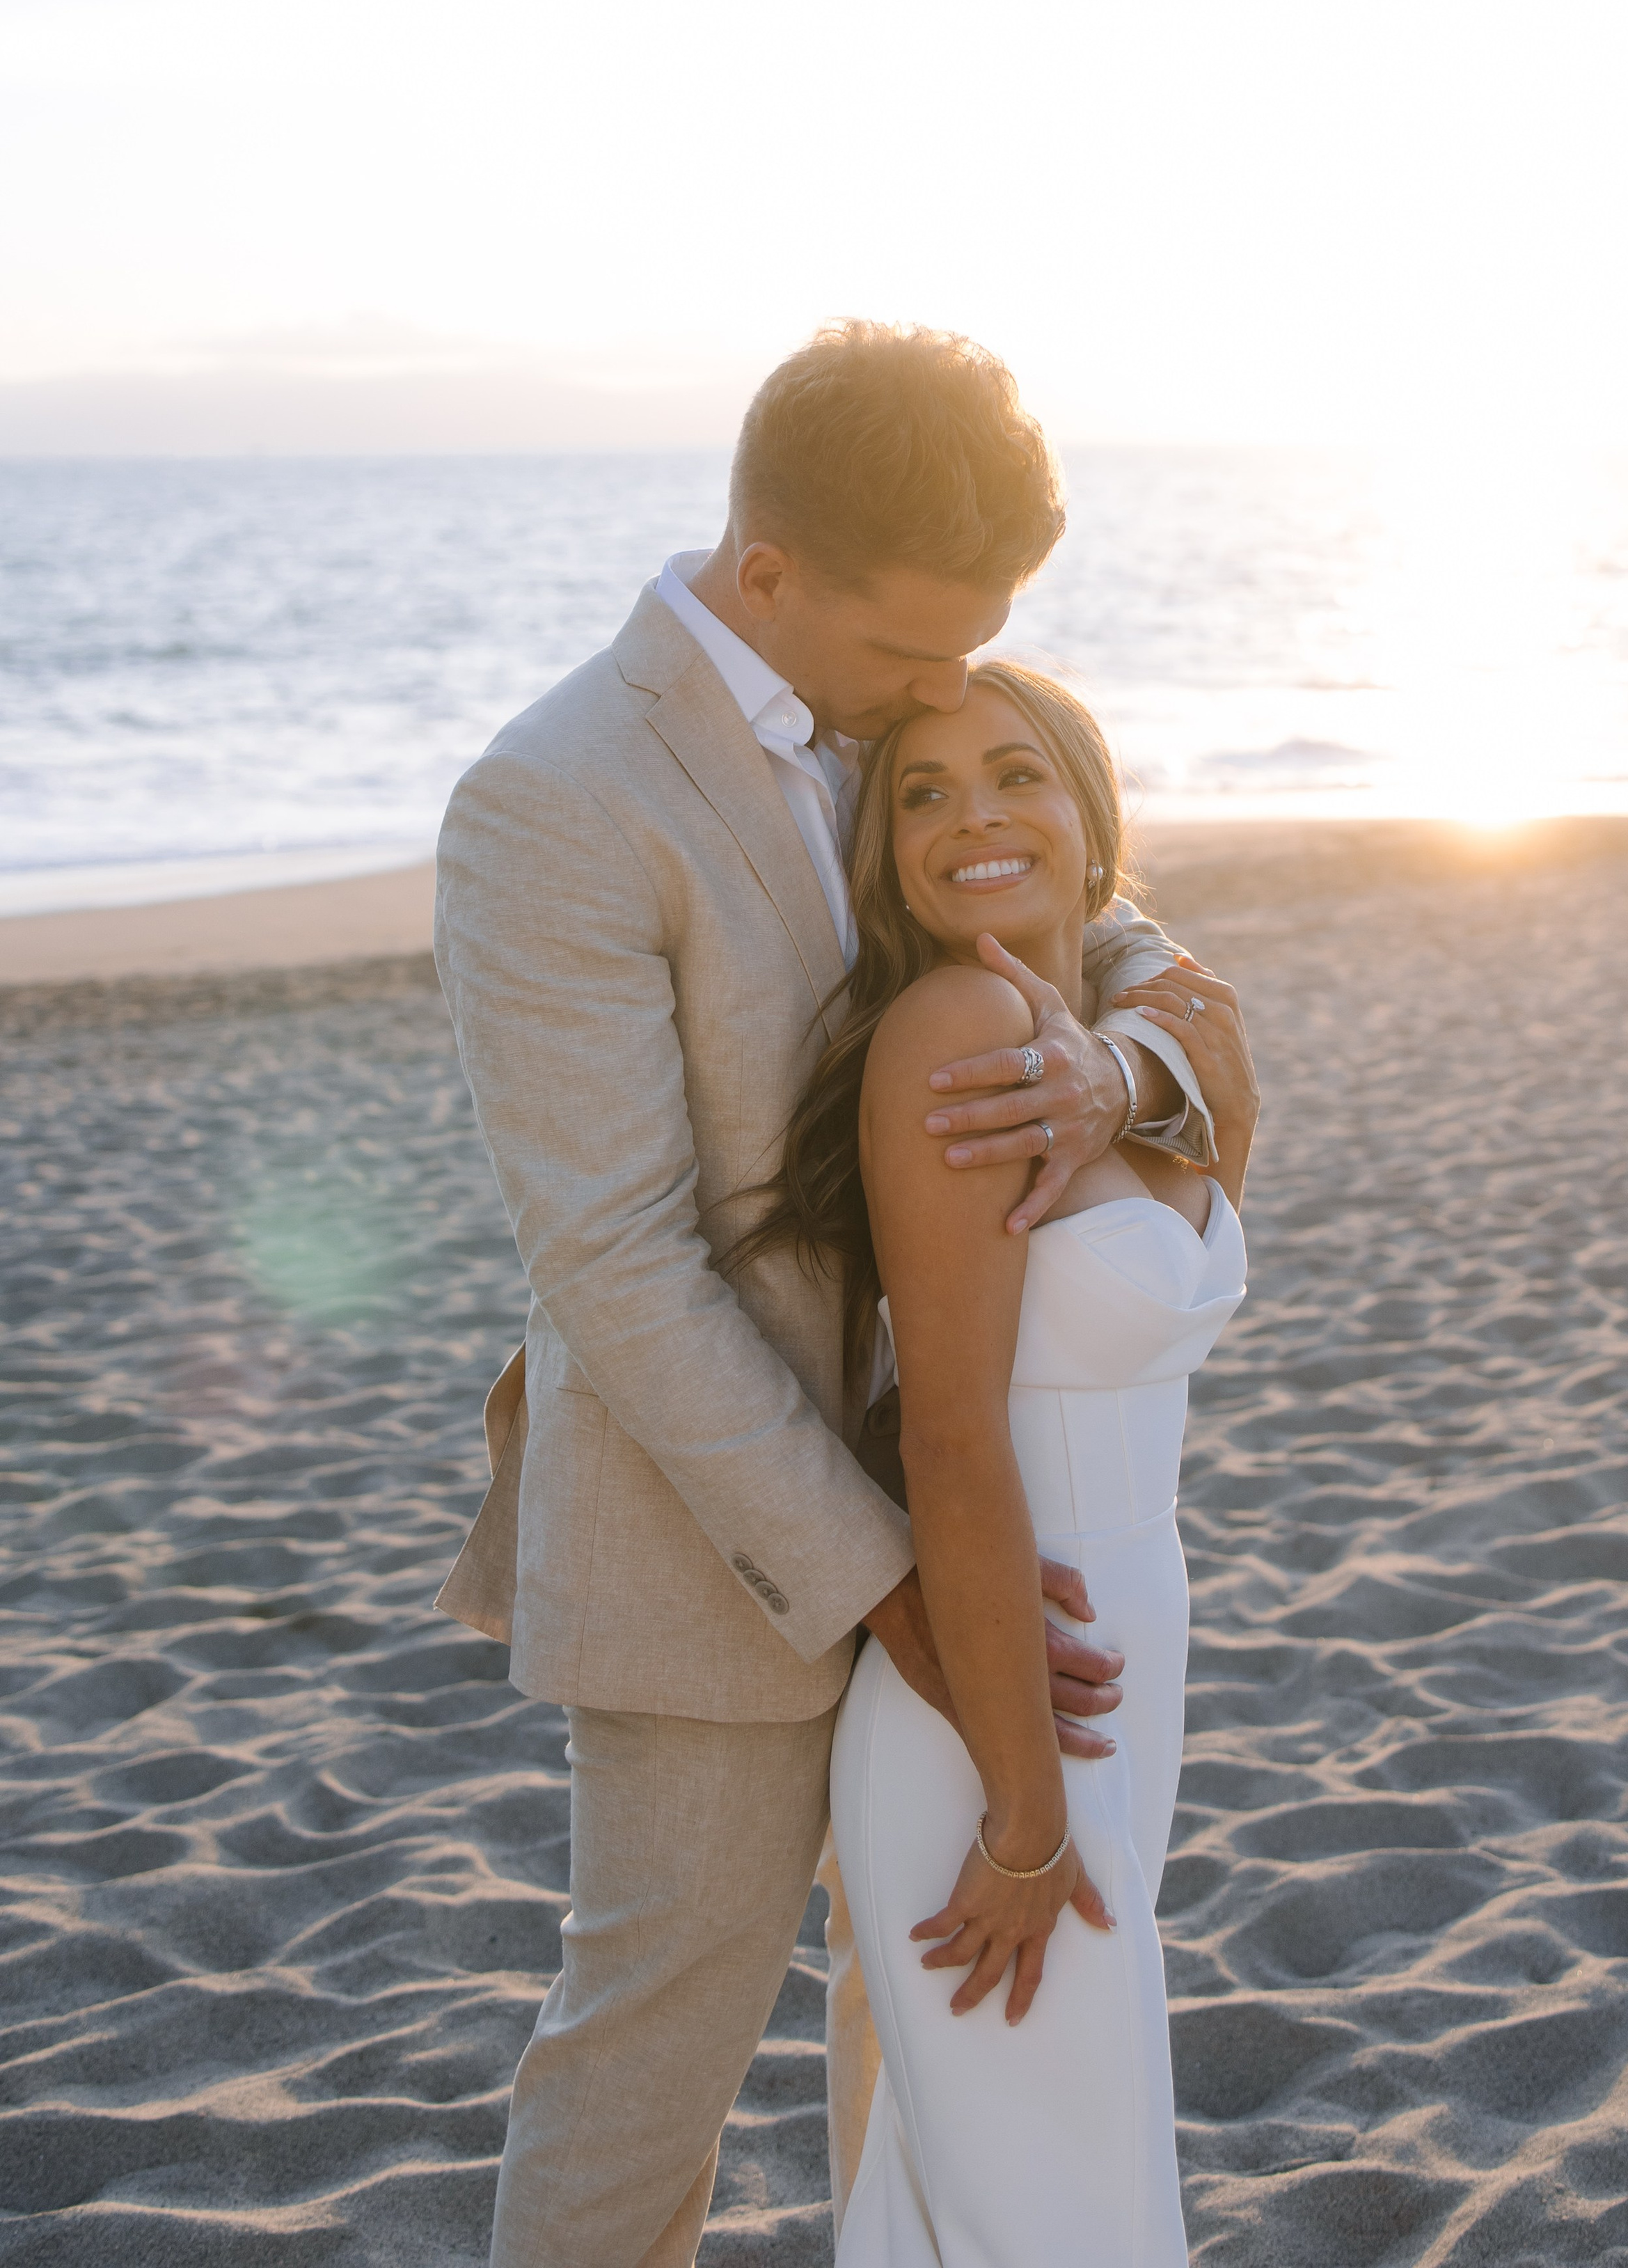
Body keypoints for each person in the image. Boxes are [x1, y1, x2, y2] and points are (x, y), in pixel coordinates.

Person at [431, 320, 1233, 2267]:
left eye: (976, 652)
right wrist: (902, 1582)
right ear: (769, 569)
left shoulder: (895, 705)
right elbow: (614, 1264)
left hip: (990, 1520)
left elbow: (1108, 927)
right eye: (911, 651)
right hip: (710, 1552)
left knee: (938, 2047)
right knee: (652, 2060)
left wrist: (1120, 1076)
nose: (944, 692)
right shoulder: (554, 800)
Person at [742, 658, 1256, 2263]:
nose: (972, 818)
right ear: (886, 851)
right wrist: (1024, 1816)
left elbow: (1206, 1095)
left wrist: (1134, 1051)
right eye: (923, 793)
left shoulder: (1125, 1041)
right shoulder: (956, 1027)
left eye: (1015, 775)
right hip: (999, 1702)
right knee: (1042, 2204)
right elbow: (952, 1438)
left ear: (1089, 811)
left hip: (1123, 1660)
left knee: (1020, 2187)